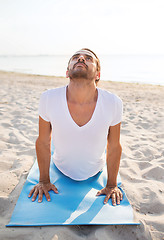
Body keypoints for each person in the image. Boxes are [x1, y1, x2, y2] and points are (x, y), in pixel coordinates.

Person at [28, 48, 123, 206]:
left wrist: (111, 185)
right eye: (75, 57)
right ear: (67, 72)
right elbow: (43, 141)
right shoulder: (48, 98)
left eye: (88, 58)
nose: (80, 59)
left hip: (96, 170)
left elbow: (114, 145)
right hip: (60, 167)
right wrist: (44, 180)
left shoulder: (113, 102)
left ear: (98, 75)